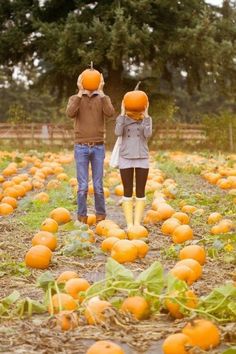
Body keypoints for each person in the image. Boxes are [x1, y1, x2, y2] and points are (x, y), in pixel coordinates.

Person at [66, 72, 115, 224]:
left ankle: (101, 217)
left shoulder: (102, 99)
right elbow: (70, 113)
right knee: (82, 186)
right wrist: (80, 93)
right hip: (81, 147)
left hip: (98, 147)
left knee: (98, 185)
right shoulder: (75, 99)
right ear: (80, 82)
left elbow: (110, 113)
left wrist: (102, 92)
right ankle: (82, 218)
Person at [115, 101, 152, 229]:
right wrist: (122, 113)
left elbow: (147, 134)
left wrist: (146, 115)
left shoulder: (146, 120)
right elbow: (118, 132)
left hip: (142, 157)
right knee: (127, 191)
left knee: (141, 191)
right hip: (125, 157)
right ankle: (129, 224)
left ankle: (137, 223)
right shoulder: (123, 120)